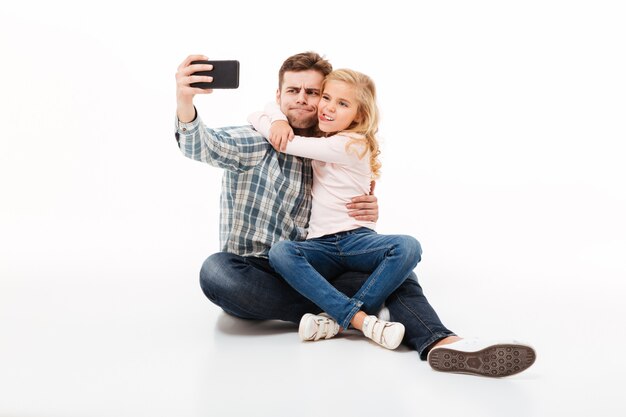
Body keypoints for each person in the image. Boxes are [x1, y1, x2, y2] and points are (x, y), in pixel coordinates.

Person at [174, 52, 536, 377]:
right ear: (279, 95)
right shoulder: (257, 139)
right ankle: (361, 314)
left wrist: (367, 211)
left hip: (314, 266)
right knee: (215, 271)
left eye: (313, 93)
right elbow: (200, 144)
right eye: (292, 91)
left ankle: (438, 342)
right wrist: (185, 100)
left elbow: (343, 201)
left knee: (398, 265)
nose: (302, 99)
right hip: (258, 273)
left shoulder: (327, 143)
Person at [247, 69, 422, 350]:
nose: (328, 107)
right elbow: (269, 107)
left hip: (357, 240)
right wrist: (278, 117)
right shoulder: (324, 138)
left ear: (359, 116)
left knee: (407, 247)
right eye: (327, 97)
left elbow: (283, 140)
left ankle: (338, 319)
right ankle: (362, 318)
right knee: (281, 252)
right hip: (320, 246)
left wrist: (266, 121)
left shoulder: (351, 144)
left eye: (343, 104)